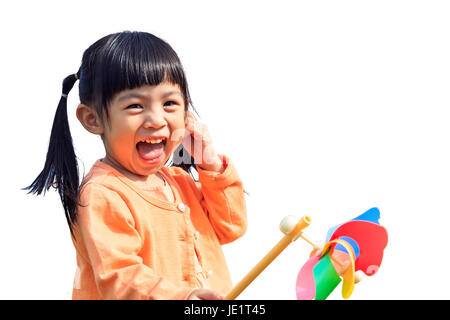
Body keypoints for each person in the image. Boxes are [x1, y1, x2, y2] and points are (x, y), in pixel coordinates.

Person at [25, 31, 247, 300]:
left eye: (169, 103)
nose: (156, 119)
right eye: (134, 106)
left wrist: (210, 164)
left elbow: (231, 228)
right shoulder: (103, 193)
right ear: (92, 119)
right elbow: (120, 276)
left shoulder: (179, 181)